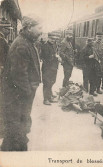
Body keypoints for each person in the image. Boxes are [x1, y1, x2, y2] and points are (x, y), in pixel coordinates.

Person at [1, 15, 42, 151]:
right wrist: (28, 92)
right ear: (29, 28)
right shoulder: (22, 45)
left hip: (18, 96)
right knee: (16, 130)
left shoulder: (26, 42)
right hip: (17, 97)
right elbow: (19, 74)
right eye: (39, 28)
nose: (41, 31)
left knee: (16, 129)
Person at [41, 33, 60, 105]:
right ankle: (46, 99)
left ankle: (49, 97)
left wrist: (56, 57)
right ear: (48, 38)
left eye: (54, 39)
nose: (53, 40)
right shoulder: (45, 46)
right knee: (47, 83)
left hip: (53, 67)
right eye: (51, 38)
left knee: (52, 81)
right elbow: (46, 57)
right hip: (47, 68)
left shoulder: (53, 45)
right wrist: (56, 57)